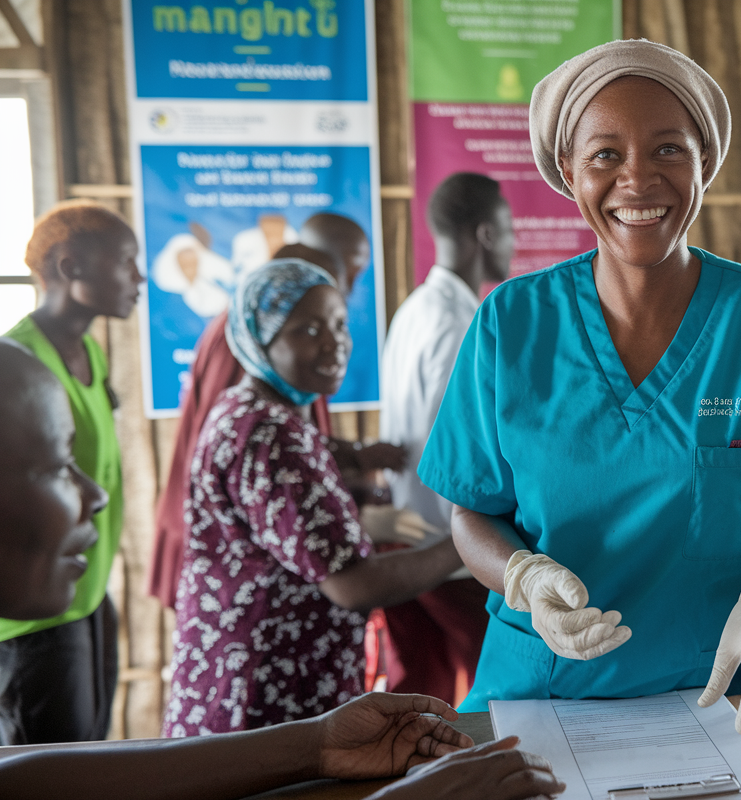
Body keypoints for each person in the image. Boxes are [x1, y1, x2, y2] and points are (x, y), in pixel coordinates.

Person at [419, 39, 741, 734]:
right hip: (539, 693)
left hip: (714, 698)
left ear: (704, 165)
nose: (638, 180)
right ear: (568, 171)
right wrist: (525, 579)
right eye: (605, 154)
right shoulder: (510, 324)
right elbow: (471, 513)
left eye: (668, 150)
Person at [0, 339, 563, 800]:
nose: (95, 493)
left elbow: (28, 775)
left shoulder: (258, 416)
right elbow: (352, 583)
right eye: (56, 464)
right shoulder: (263, 428)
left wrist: (315, 745)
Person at [163, 260, 462, 736]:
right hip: (266, 697)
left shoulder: (247, 411)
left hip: (241, 675)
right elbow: (355, 584)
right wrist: (464, 543)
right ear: (260, 339)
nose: (334, 341)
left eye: (340, 324)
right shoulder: (270, 433)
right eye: (307, 328)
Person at [148, 239, 404, 610]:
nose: (347, 285)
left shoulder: (281, 392)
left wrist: (355, 459)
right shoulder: (246, 368)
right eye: (311, 325)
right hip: (240, 590)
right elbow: (254, 457)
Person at [0, 201, 142, 744]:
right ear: (69, 267)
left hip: (85, 585)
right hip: (37, 617)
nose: (139, 277)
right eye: (126, 262)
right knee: (55, 757)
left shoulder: (88, 352)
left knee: (89, 745)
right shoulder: (22, 368)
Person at [377, 173, 514, 703]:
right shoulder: (462, 325)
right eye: (508, 231)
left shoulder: (413, 310)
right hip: (451, 554)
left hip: (408, 542)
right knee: (503, 697)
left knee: (421, 696)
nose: (512, 244)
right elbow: (459, 453)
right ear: (484, 234)